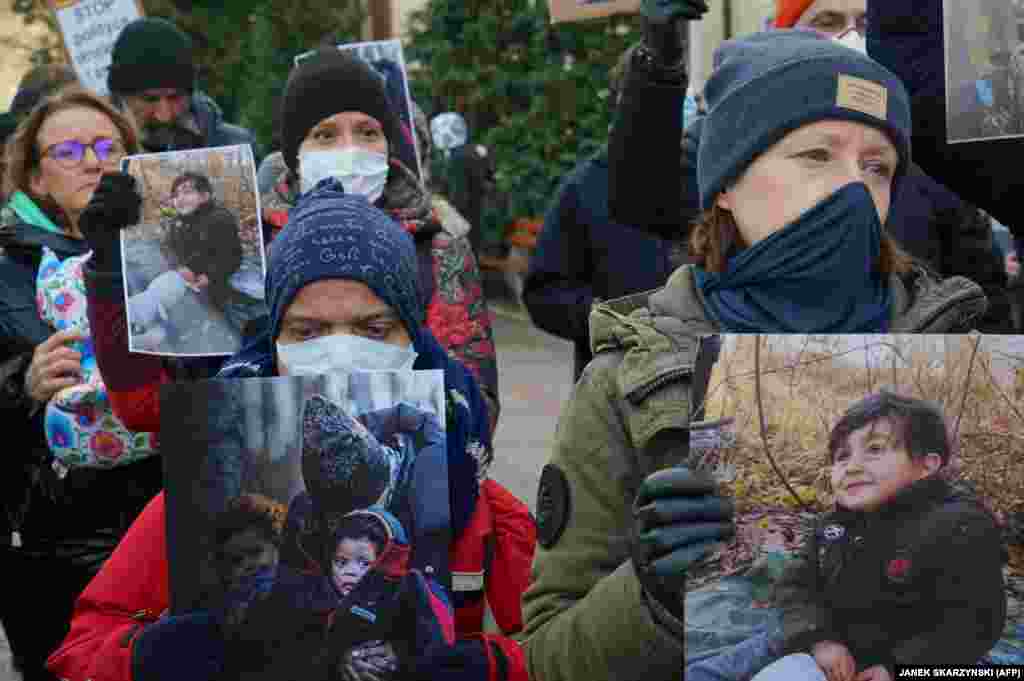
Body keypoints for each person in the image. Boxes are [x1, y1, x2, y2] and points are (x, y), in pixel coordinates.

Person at [47, 184, 535, 681]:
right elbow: (81, 652)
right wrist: (148, 656)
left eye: (373, 329)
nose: (339, 353)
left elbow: (566, 653)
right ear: (274, 341)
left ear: (413, 335)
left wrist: (493, 667)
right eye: (306, 331)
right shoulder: (213, 497)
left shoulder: (485, 511)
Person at [607, 4, 987, 334]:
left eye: (877, 168)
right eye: (817, 156)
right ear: (726, 186)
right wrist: (658, 64)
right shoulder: (648, 364)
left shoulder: (946, 334)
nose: (854, 186)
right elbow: (642, 191)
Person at [235, 50, 502, 437]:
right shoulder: (249, 247)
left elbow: (480, 407)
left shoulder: (439, 247)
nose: (350, 149)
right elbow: (200, 399)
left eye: (367, 132)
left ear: (388, 142)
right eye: (325, 134)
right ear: (295, 151)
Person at [0, 86, 159, 681]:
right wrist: (22, 380)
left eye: (106, 146)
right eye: (68, 150)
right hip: (51, 539)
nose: (93, 161)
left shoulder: (171, 252)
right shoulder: (6, 268)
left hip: (161, 514)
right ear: (36, 179)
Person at [774, 0, 1014, 332]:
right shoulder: (734, 154)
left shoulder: (936, 168)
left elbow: (989, 312)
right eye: (828, 22)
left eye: (865, 23)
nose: (851, 37)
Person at [762, 391, 1005, 680]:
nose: (851, 466)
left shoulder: (961, 524)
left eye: (875, 449)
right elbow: (795, 586)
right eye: (842, 457)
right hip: (837, 649)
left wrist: (896, 668)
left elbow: (974, 623)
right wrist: (820, 639)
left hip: (923, 659)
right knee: (745, 660)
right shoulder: (831, 526)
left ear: (927, 465)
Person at [126, 171, 263, 347]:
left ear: (205, 196)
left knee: (201, 306)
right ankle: (144, 323)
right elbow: (169, 251)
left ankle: (145, 320)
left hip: (214, 279)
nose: (180, 198)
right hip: (183, 278)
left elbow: (231, 257)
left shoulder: (219, 218)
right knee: (151, 279)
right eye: (175, 195)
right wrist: (178, 268)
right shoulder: (177, 223)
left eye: (187, 192)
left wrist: (208, 276)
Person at [106, 17, 257, 157]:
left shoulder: (236, 146)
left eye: (175, 97)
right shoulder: (93, 158)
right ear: (121, 98)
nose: (165, 116)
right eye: (150, 99)